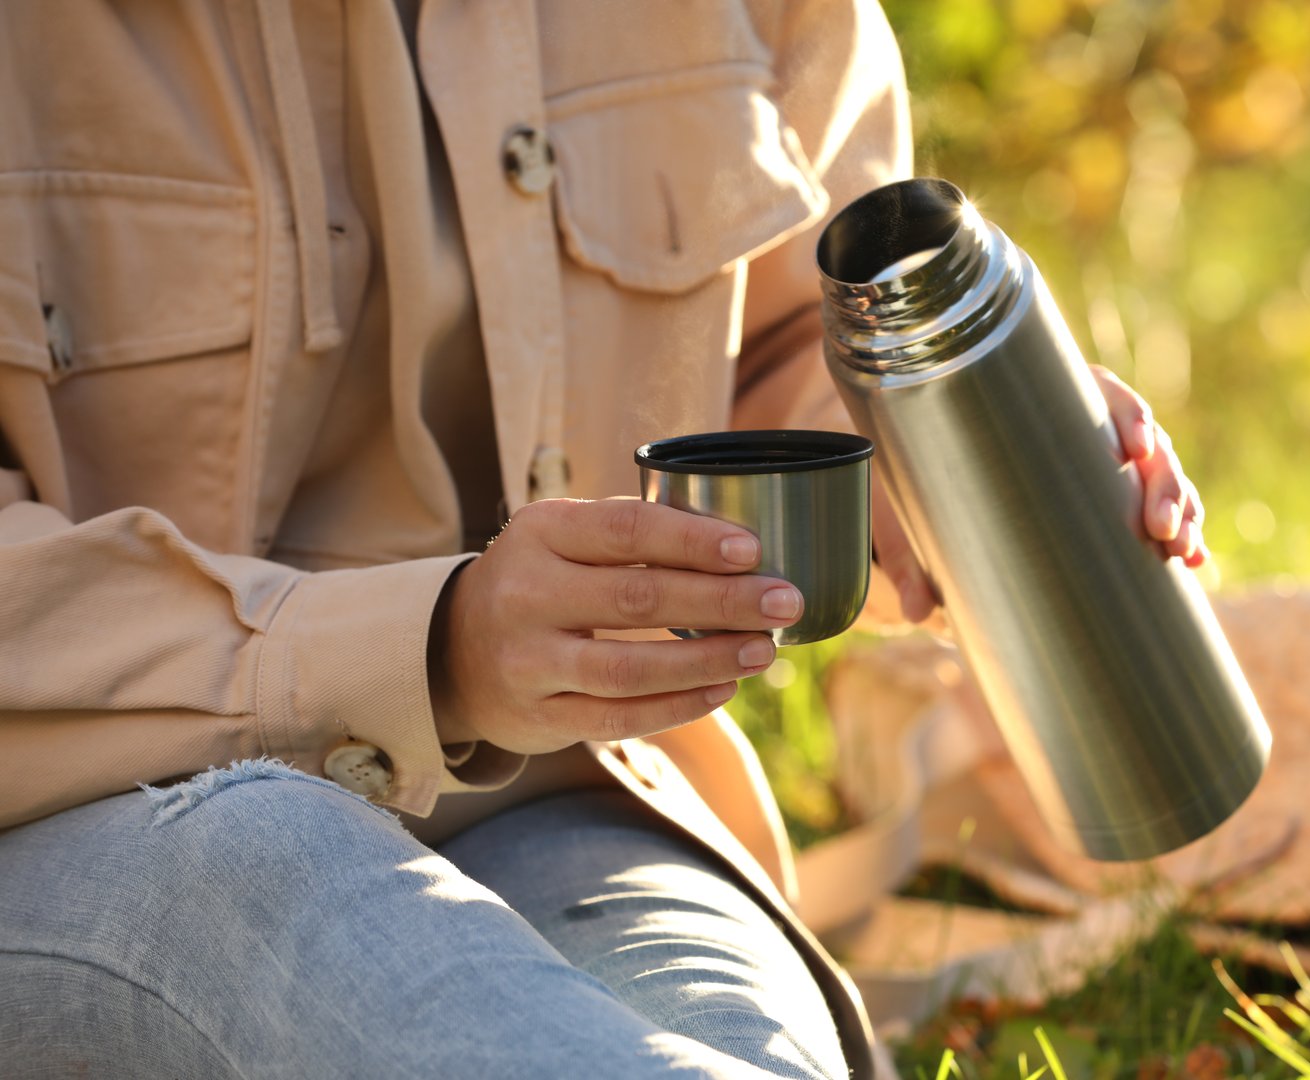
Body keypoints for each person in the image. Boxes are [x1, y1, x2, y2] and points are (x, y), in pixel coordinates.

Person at [0, 1, 1206, 1077]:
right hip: (91, 821)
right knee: (272, 859)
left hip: (564, 798)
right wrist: (441, 650)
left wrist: (919, 452)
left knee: (727, 1048)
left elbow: (789, 332)